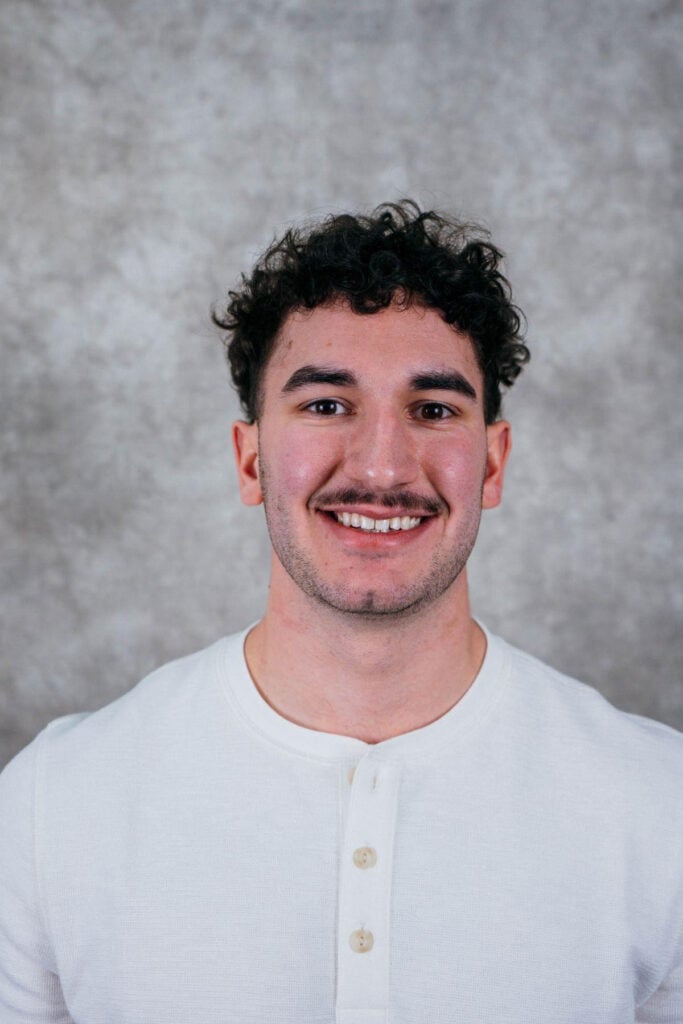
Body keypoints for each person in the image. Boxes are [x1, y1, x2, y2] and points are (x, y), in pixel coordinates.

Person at [1, 201, 681, 1024]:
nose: (383, 465)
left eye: (433, 409)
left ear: (491, 465)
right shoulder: (54, 802)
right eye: (326, 405)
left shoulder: (655, 803)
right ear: (250, 458)